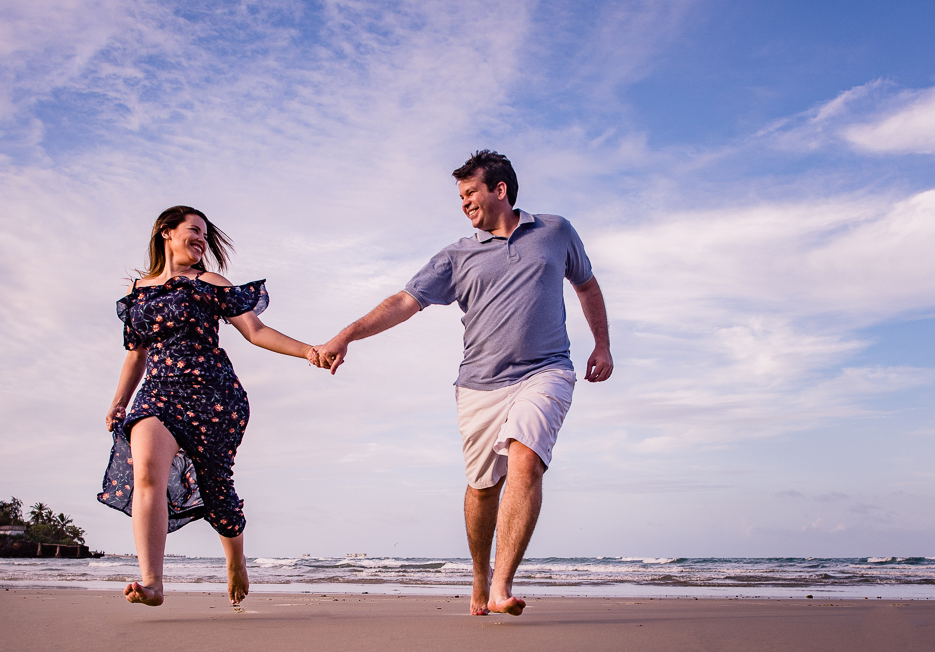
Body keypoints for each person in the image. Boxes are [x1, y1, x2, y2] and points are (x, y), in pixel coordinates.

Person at [314, 151, 613, 616]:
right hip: (479, 385)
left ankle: (501, 584)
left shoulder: (555, 232)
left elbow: (587, 286)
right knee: (482, 487)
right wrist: (347, 334)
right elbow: (403, 301)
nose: (464, 203)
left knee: (526, 457)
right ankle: (478, 573)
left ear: (500, 190)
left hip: (547, 369)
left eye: (470, 192)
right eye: (460, 196)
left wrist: (602, 345)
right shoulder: (457, 255)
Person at [100, 205, 319, 607]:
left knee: (217, 490)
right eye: (194, 231)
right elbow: (136, 355)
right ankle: (152, 582)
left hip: (213, 395)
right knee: (147, 472)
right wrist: (119, 403)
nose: (201, 240)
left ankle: (235, 560)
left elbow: (256, 331)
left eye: (205, 235)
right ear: (166, 232)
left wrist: (309, 351)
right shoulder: (138, 292)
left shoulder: (210, 283)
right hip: (158, 392)